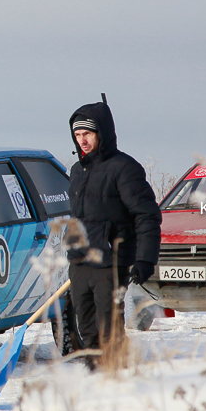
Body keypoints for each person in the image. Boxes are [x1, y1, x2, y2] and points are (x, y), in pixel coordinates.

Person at [66, 99, 162, 358]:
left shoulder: (124, 168)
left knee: (109, 329)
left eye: (87, 133)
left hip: (110, 261)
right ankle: (96, 377)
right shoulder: (77, 170)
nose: (82, 140)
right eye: (77, 134)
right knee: (85, 329)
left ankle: (115, 378)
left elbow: (147, 215)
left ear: (101, 133)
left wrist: (145, 259)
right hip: (80, 262)